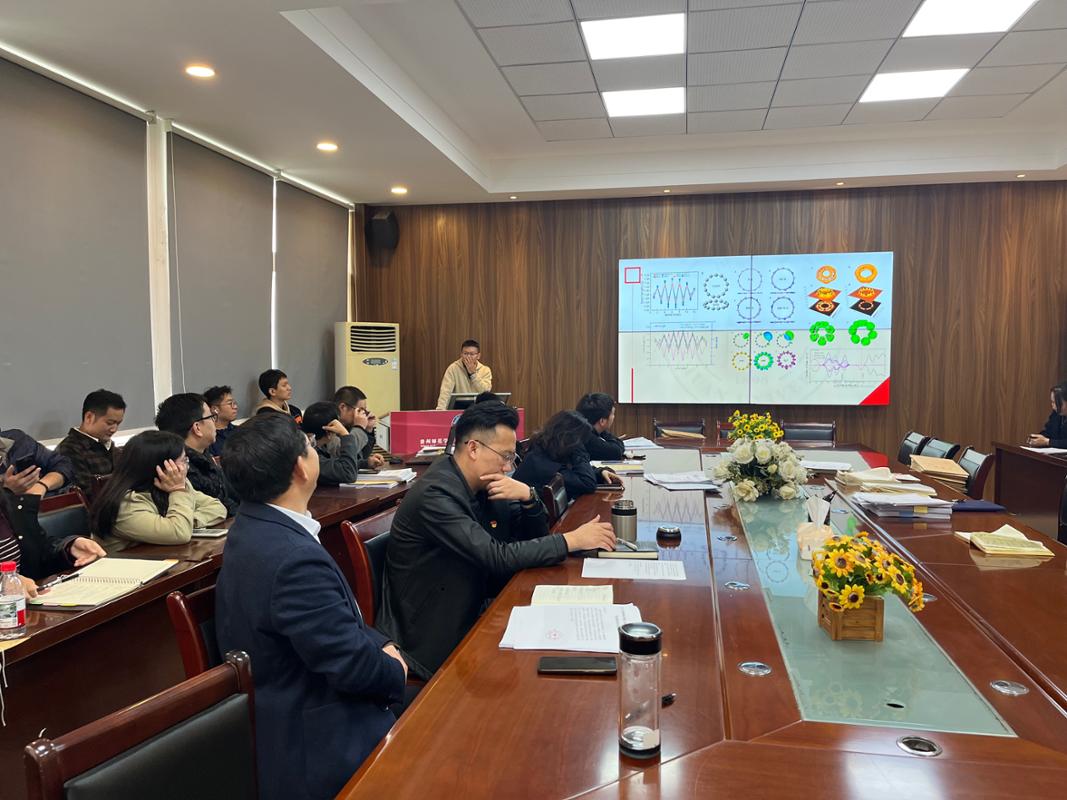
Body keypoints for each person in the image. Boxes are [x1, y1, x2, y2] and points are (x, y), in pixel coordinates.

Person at [214, 412, 407, 800]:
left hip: (299, 700)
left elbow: (339, 622)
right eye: (309, 446)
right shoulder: (291, 558)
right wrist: (395, 670)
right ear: (300, 468)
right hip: (318, 739)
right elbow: (352, 668)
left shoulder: (257, 524)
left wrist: (382, 645)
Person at [377, 402, 616, 679]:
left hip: (478, 603)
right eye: (504, 456)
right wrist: (570, 540)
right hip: (435, 633)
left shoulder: (485, 483)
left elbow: (532, 539)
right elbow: (496, 556)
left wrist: (529, 498)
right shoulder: (436, 494)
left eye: (512, 457)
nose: (508, 466)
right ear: (473, 448)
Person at [91, 431, 226, 553]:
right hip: (129, 568)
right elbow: (179, 532)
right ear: (161, 468)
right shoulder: (126, 504)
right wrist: (178, 491)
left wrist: (189, 521)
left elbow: (218, 508)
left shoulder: (173, 484)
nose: (187, 467)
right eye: (183, 460)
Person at [0, 486, 105, 597]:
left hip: (29, 600)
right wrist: (6, 582)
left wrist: (68, 548)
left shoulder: (6, 501)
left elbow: (39, 549)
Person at [155, 393, 239, 516]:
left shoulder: (203, 455)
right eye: (211, 417)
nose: (215, 422)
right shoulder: (179, 470)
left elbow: (228, 498)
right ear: (197, 428)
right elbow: (218, 508)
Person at [514, 411, 623, 500]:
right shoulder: (540, 463)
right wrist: (579, 450)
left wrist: (599, 472)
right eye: (580, 441)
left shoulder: (547, 450)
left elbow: (570, 472)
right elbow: (587, 484)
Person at [57, 389, 126, 494]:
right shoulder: (70, 450)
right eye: (110, 423)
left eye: (118, 423)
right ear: (89, 417)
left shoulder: (110, 446)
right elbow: (87, 493)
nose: (114, 429)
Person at [301, 401, 367, 486]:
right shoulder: (310, 457)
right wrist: (345, 435)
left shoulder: (315, 449)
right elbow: (348, 473)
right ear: (329, 432)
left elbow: (335, 464)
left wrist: (365, 463)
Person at [0, 427, 74, 498]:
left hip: (49, 499)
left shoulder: (19, 441)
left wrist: (42, 485)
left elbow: (63, 463)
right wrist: (7, 492)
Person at [334, 385, 383, 468]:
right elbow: (344, 455)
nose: (362, 415)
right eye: (360, 410)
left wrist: (368, 430)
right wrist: (359, 427)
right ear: (343, 407)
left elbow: (359, 455)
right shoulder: (330, 427)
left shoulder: (348, 426)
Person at [435, 340, 493, 410]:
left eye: (472, 354)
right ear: (461, 354)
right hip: (459, 408)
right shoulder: (453, 368)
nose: (468, 357)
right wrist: (440, 410)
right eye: (465, 353)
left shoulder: (485, 370)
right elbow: (445, 392)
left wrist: (473, 374)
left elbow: (485, 392)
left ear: (478, 356)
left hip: (479, 409)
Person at [576, 392, 627, 461]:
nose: (613, 417)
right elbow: (616, 451)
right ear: (602, 421)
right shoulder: (588, 439)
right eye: (612, 414)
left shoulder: (580, 430)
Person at [1027, 383, 1067, 448]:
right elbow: (1049, 431)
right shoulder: (1056, 414)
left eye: (1057, 403)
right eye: (1052, 402)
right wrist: (1038, 438)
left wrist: (1048, 442)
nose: (1053, 406)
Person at [204, 385, 239, 457]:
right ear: (215, 409)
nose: (235, 407)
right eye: (230, 403)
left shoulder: (240, 431)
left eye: (234, 403)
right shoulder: (208, 438)